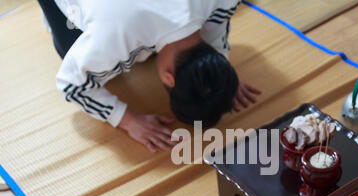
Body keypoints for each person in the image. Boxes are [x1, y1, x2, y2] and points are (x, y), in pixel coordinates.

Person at [38, 0, 261, 152]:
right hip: (116, 17)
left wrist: (222, 77)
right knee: (69, 49)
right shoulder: (115, 37)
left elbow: (218, 26)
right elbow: (70, 84)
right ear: (168, 78)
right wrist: (127, 119)